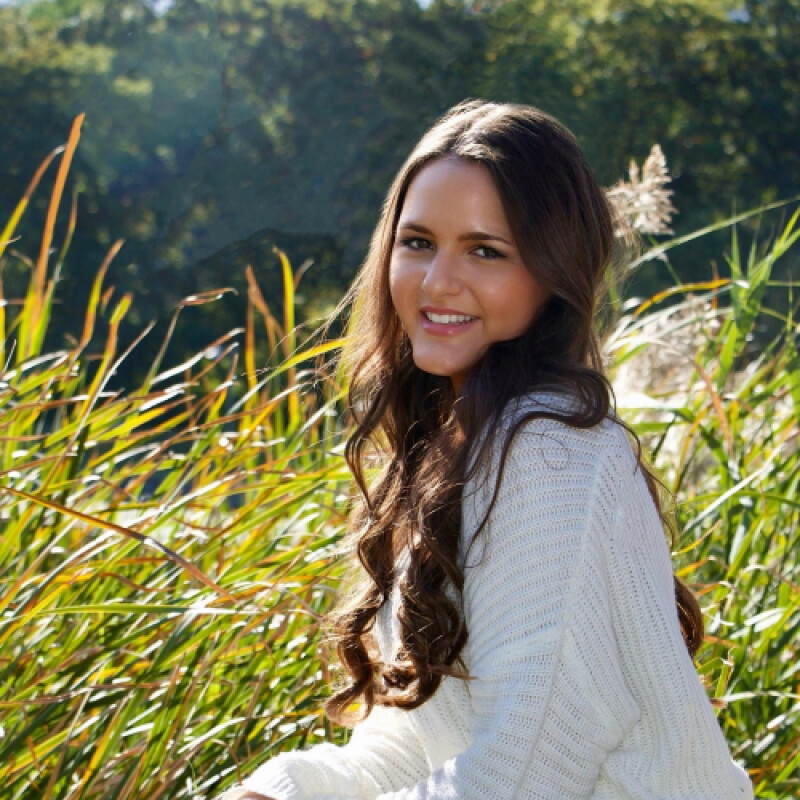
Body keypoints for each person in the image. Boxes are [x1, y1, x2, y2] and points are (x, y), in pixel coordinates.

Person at [220, 100, 753, 800]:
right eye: (418, 243)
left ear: (553, 271)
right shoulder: (457, 445)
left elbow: (526, 773)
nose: (437, 282)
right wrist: (277, 791)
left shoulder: (551, 452)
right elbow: (418, 742)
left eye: (485, 251)